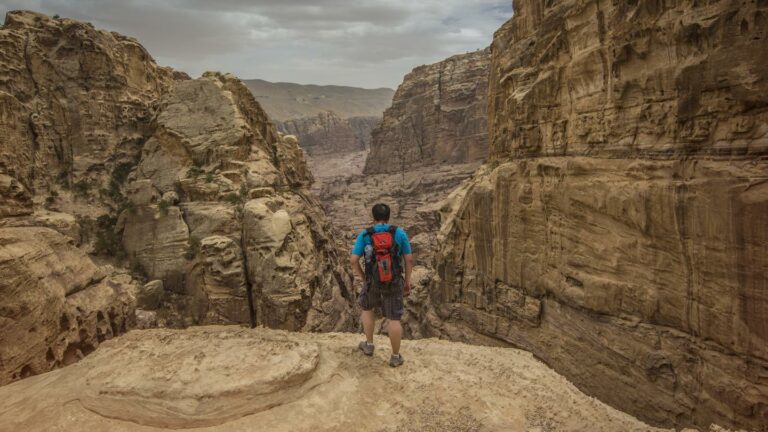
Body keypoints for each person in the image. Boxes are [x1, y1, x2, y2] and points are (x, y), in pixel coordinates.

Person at [350, 203, 413, 367]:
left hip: (372, 281)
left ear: (373, 217)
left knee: (367, 308)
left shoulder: (365, 234)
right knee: (394, 318)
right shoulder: (398, 233)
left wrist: (364, 278)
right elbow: (409, 259)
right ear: (389, 217)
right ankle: (395, 356)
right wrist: (406, 281)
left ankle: (369, 345)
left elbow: (353, 260)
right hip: (394, 281)